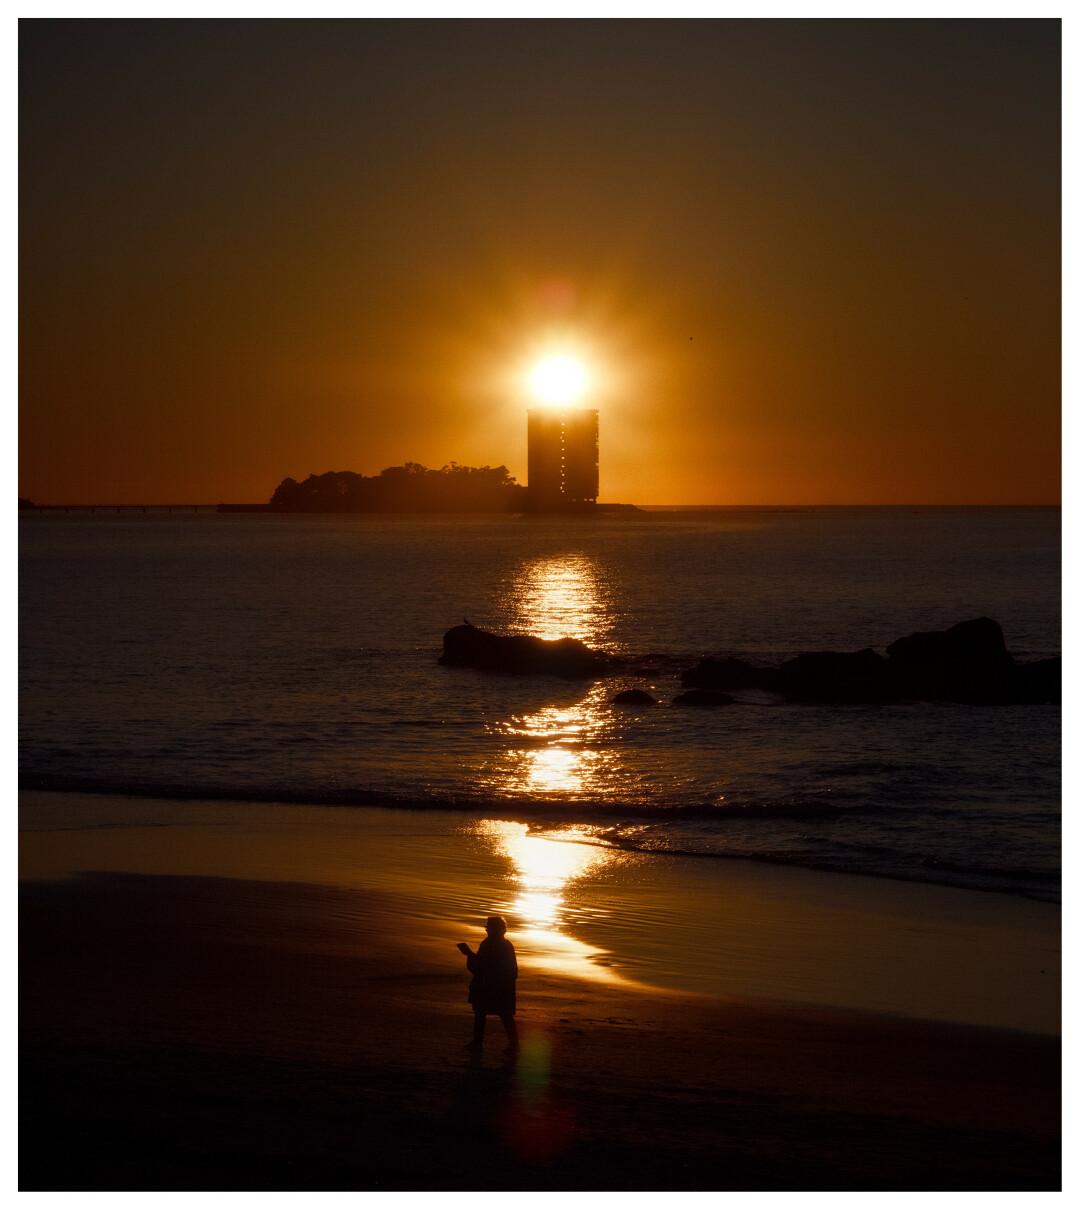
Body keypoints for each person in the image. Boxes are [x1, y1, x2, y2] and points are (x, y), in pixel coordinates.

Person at [457, 916, 519, 1053]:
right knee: (503, 1015)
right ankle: (513, 1044)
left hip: (490, 986)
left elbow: (480, 966)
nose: (487, 930)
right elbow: (512, 970)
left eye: (488, 928)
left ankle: (479, 1043)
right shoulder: (506, 945)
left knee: (484, 1014)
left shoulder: (489, 944)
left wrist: (469, 956)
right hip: (502, 987)